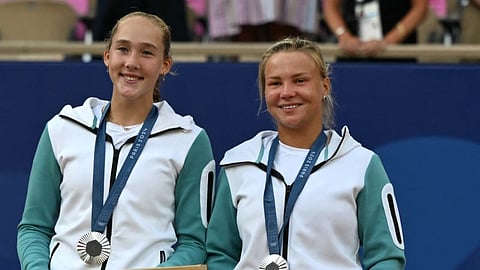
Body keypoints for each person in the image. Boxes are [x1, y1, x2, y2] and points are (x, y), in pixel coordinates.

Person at [17, 11, 215, 270]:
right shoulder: (62, 128)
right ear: (107, 56)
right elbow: (34, 227)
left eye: (147, 53)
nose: (132, 62)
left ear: (165, 65)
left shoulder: (189, 140)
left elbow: (195, 243)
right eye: (123, 49)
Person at [206, 37, 406, 269]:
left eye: (300, 81)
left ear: (325, 86)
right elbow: (220, 254)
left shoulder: (361, 163)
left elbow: (386, 257)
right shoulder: (239, 164)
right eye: (275, 83)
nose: (287, 92)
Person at [323, 0, 428, 59]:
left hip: (397, 53)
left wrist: (388, 41)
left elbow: (420, 8)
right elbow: (330, 7)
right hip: (353, 51)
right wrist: (344, 35)